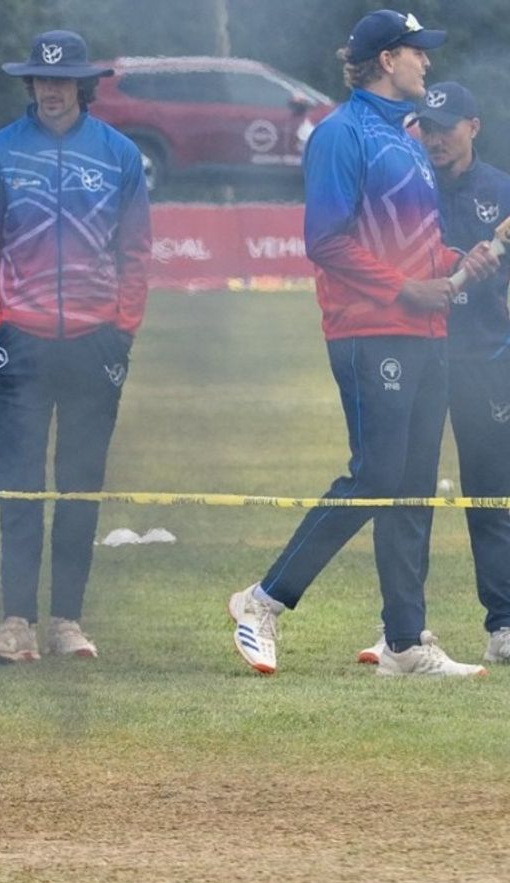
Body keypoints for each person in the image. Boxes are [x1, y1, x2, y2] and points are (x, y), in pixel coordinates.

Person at [226, 12, 498, 677]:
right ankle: (262, 601)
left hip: (425, 332)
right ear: (385, 60)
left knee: (410, 489)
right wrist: (406, 289)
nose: (426, 65)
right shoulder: (340, 136)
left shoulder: (406, 140)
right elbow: (326, 240)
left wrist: (459, 259)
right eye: (416, 53)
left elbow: (413, 240)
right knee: (375, 476)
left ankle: (405, 643)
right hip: (369, 330)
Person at [0, 29, 150, 662]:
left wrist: (123, 327)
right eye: (41, 80)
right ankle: (16, 622)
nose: (51, 90)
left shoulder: (121, 155)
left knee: (79, 487)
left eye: (62, 80)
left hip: (96, 341)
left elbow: (136, 249)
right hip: (21, 341)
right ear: (30, 84)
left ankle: (67, 620)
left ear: (82, 85)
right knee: (18, 486)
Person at [352, 81, 510, 665]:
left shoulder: (501, 190)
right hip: (417, 353)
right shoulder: (405, 182)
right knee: (405, 493)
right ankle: (399, 626)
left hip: (486, 360)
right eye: (427, 127)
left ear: (474, 126)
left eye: (447, 127)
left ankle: (504, 625)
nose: (435, 138)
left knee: (492, 494)